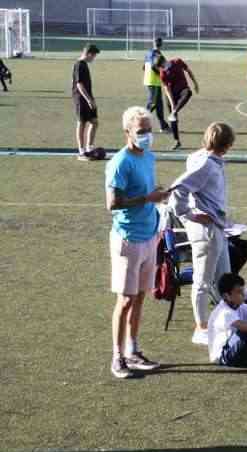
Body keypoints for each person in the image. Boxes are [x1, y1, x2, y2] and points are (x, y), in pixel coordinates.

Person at [105, 106, 170, 379]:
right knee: (126, 299)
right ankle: (117, 357)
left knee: (141, 296)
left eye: (149, 130)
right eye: (141, 131)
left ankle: (133, 349)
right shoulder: (120, 163)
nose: (146, 136)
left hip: (149, 235)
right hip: (128, 238)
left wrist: (157, 195)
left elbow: (147, 191)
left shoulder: (149, 157)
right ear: (128, 132)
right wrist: (147, 199)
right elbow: (113, 203)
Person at [168, 122, 235, 345]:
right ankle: (201, 328)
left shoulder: (202, 158)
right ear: (227, 145)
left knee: (224, 278)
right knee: (203, 281)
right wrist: (189, 214)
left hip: (217, 227)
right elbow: (179, 188)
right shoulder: (206, 163)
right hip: (206, 231)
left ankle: (225, 320)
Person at [157, 54, 199, 151]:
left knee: (188, 92)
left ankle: (174, 111)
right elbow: (167, 89)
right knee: (173, 118)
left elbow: (189, 71)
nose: (162, 69)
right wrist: (173, 106)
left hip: (182, 90)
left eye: (162, 66)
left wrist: (195, 83)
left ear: (165, 61)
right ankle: (177, 141)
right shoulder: (162, 73)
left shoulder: (177, 62)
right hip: (171, 95)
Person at [72, 44, 100, 161]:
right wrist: (88, 100)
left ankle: (89, 149)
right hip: (81, 99)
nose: (93, 59)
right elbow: (79, 84)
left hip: (88, 97)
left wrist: (91, 99)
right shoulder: (79, 65)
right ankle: (81, 152)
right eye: (93, 56)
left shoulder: (84, 65)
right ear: (89, 54)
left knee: (94, 122)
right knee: (82, 123)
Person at [143, 38, 169, 132]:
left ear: (153, 44)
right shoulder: (158, 54)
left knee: (159, 104)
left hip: (151, 81)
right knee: (152, 104)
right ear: (161, 44)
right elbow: (155, 66)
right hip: (153, 82)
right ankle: (140, 124)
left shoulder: (148, 53)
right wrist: (161, 74)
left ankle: (163, 126)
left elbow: (143, 67)